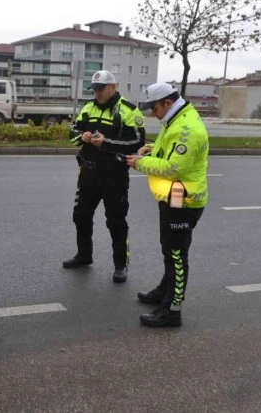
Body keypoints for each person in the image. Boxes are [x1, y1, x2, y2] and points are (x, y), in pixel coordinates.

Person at [125, 82, 209, 327]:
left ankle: (172, 310)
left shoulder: (187, 129)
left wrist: (139, 163)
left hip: (184, 203)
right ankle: (164, 292)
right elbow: (168, 152)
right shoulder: (174, 120)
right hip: (172, 200)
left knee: (176, 257)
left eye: (154, 107)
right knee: (169, 253)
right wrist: (152, 150)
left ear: (168, 103)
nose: (152, 113)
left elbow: (174, 168)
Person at [64, 70, 146, 283]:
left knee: (116, 221)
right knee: (80, 216)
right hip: (88, 172)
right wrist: (81, 136)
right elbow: (71, 133)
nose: (97, 93)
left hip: (114, 175)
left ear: (113, 87)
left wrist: (106, 143)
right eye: (94, 89)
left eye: (101, 89)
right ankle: (84, 256)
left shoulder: (129, 111)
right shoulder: (88, 107)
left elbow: (137, 144)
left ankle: (121, 266)